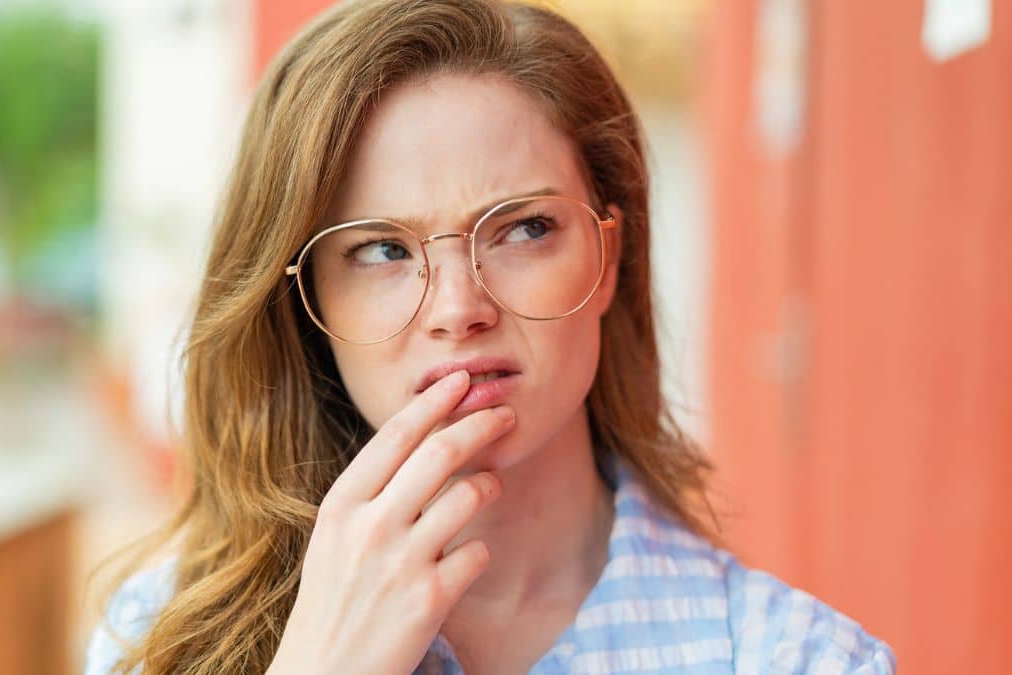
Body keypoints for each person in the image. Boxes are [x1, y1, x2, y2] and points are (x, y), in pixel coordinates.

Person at [85, 1, 896, 673]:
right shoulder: (159, 635)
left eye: (524, 229)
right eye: (381, 250)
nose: (458, 307)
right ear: (302, 299)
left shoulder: (800, 658)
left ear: (609, 254)